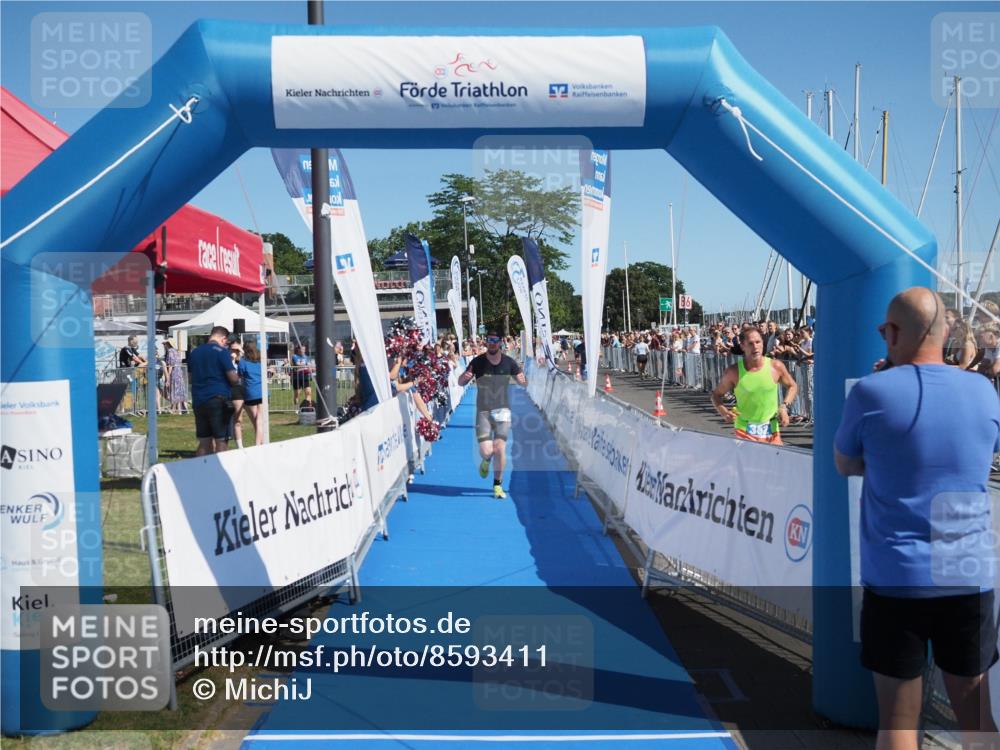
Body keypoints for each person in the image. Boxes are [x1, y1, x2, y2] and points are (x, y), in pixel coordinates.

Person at [834, 287, 1000, 750]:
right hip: (966, 576)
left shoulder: (871, 392)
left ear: (894, 334)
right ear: (945, 331)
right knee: (977, 718)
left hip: (896, 575)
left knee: (899, 721)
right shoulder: (984, 391)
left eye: (885, 329)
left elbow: (844, 464)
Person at [457, 330, 527, 499]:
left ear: (500, 342)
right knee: (487, 451)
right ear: (486, 342)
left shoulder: (509, 362)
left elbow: (524, 383)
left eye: (495, 340)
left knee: (499, 448)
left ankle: (497, 485)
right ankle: (486, 460)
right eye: (490, 340)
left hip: (503, 411)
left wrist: (523, 379)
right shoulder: (478, 362)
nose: (492, 343)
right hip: (483, 411)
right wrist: (465, 377)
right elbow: (460, 382)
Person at [709, 327, 797, 444]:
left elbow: (793, 386)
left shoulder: (776, 366)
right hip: (744, 429)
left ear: (763, 343)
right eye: (750, 343)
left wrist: (784, 407)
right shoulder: (733, 372)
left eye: (758, 342)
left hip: (771, 429)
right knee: (750, 462)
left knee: (776, 462)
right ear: (742, 346)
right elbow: (716, 395)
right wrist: (724, 412)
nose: (755, 347)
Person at [188, 326, 240, 456]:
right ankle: (219, 472)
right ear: (223, 339)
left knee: (204, 441)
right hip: (218, 399)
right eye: (226, 342)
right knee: (221, 440)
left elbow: (189, 378)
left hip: (199, 400)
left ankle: (200, 471)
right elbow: (233, 378)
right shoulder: (222, 352)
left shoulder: (194, 352)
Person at [235, 339, 265, 447]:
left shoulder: (242, 362)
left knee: (256, 420)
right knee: (259, 420)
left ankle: (259, 444)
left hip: (250, 393)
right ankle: (260, 444)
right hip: (263, 392)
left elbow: (239, 377)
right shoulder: (260, 361)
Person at [163, 341, 188, 415]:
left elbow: (170, 365)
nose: (164, 345)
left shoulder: (170, 352)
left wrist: (168, 378)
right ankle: (180, 409)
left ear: (168, 344)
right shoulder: (176, 352)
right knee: (179, 391)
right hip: (179, 373)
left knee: (174, 390)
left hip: (174, 373)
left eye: (164, 344)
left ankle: (175, 409)